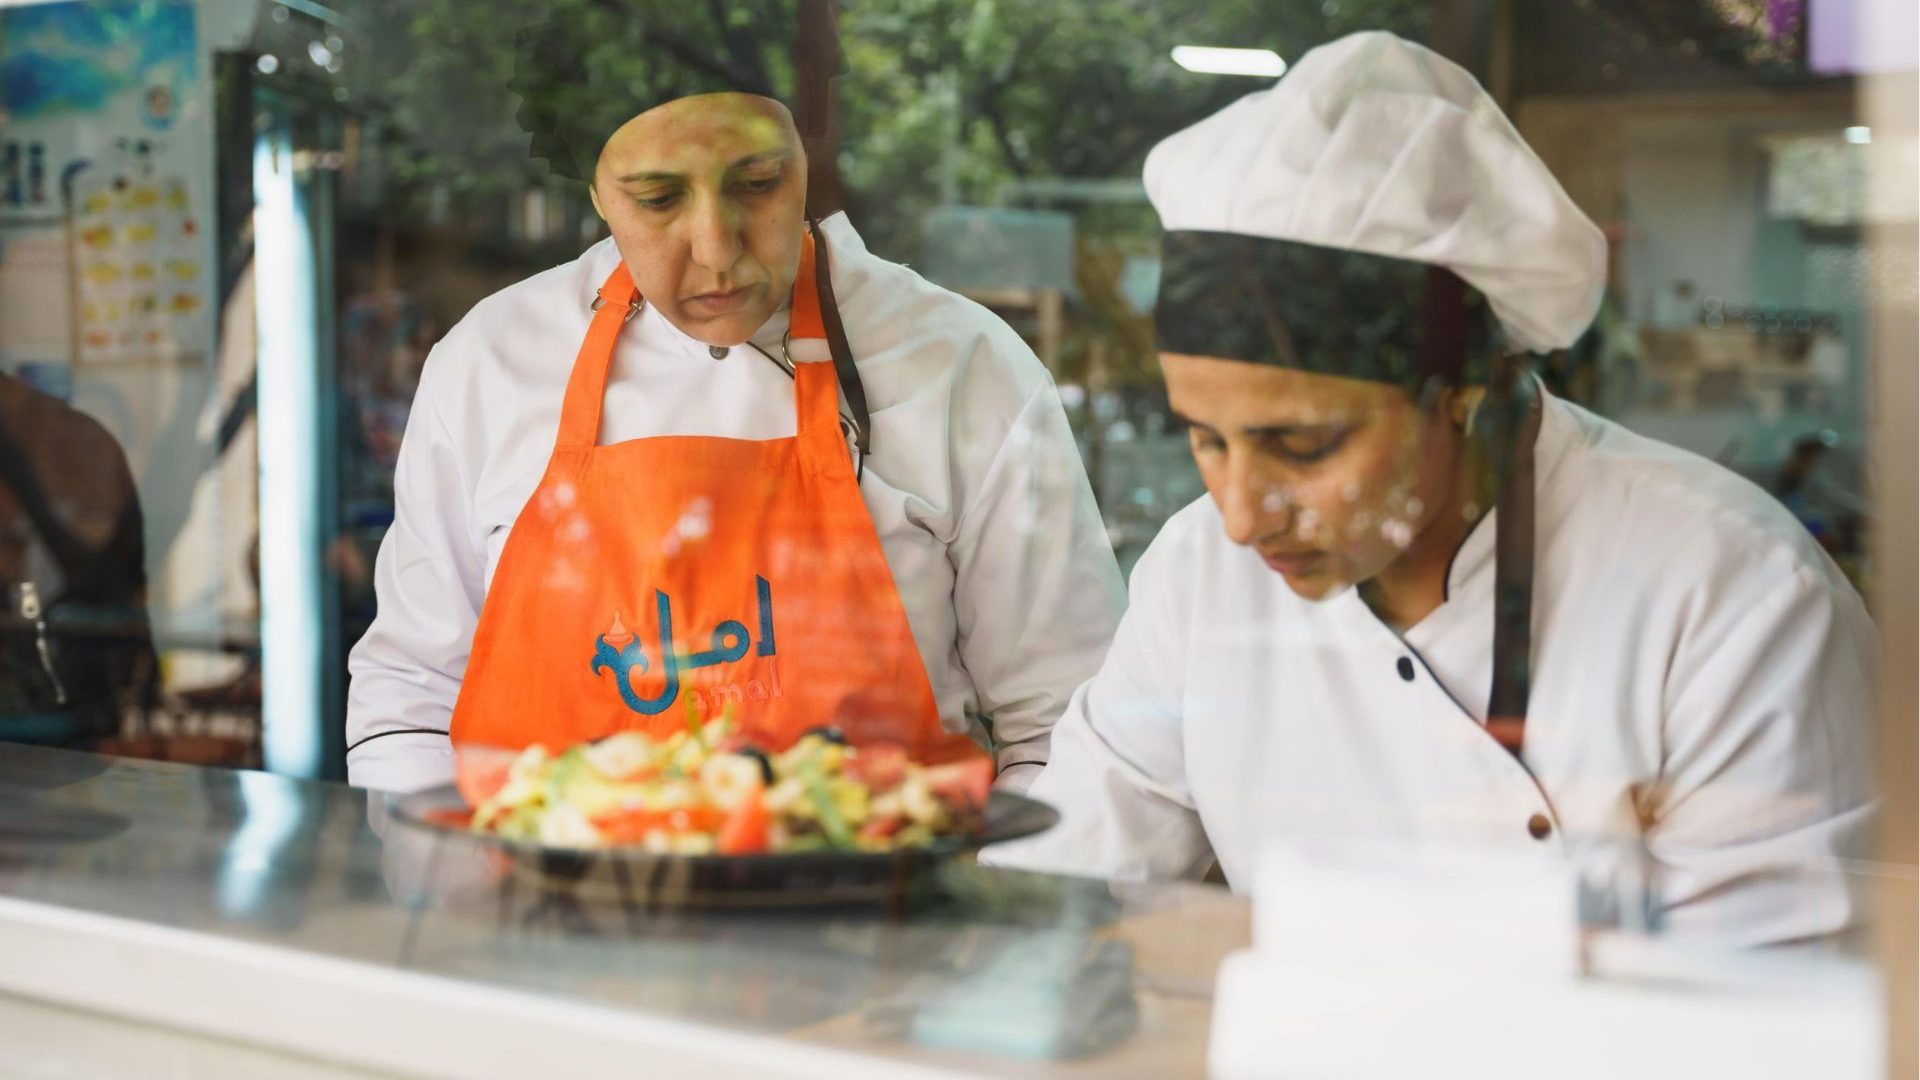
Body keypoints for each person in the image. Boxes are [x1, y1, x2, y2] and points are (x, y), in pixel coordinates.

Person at [986, 32, 1874, 946]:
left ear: (1466, 395)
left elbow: (1774, 1014)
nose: (1243, 515)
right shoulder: (1197, 571)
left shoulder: (1736, 599)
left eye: (1301, 445)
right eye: (1207, 440)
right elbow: (1061, 881)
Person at [344, 4, 1123, 791]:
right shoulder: (490, 363)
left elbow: (1067, 725)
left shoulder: (964, 367)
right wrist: (446, 889)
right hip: (530, 904)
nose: (716, 248)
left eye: (757, 184)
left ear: (806, 160)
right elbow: (413, 696)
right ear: (596, 194)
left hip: (885, 906)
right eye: (657, 199)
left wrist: (997, 901)